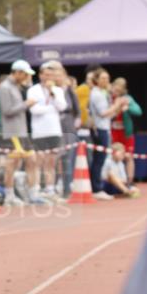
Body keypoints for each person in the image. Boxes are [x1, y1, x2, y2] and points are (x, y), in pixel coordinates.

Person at [0, 60, 38, 206]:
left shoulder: (15, 86)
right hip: (12, 132)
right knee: (11, 164)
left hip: (21, 131)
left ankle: (33, 194)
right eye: (25, 74)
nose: (27, 77)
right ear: (18, 72)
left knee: (31, 160)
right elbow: (7, 110)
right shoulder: (5, 87)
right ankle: (9, 196)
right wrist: (26, 104)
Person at [27, 62, 67, 203]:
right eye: (46, 74)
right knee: (39, 161)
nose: (48, 77)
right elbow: (34, 110)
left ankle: (50, 189)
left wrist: (52, 95)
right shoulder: (33, 90)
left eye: (51, 75)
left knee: (51, 162)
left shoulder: (58, 90)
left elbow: (62, 106)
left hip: (54, 130)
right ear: (40, 75)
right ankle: (36, 190)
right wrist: (50, 108)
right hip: (39, 131)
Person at [88, 68, 127, 198]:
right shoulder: (97, 94)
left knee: (101, 159)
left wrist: (118, 107)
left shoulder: (103, 93)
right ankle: (96, 189)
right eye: (103, 78)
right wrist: (117, 104)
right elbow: (103, 113)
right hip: (99, 130)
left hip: (104, 128)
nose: (106, 81)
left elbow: (109, 115)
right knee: (99, 160)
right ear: (96, 80)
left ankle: (98, 187)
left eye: (107, 78)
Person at [52, 63, 81, 197]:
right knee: (55, 158)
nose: (57, 77)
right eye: (55, 75)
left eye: (60, 75)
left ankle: (67, 188)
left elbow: (77, 109)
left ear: (65, 76)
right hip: (53, 126)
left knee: (68, 158)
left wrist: (77, 121)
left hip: (68, 127)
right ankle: (54, 186)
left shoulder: (69, 90)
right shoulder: (49, 90)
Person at [110, 77, 142, 186]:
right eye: (115, 89)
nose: (117, 91)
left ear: (123, 89)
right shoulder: (109, 98)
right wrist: (116, 107)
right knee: (114, 156)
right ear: (112, 87)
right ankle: (116, 182)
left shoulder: (127, 98)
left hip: (126, 133)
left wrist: (128, 107)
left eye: (119, 90)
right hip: (113, 131)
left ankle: (130, 181)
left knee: (128, 156)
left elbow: (138, 111)